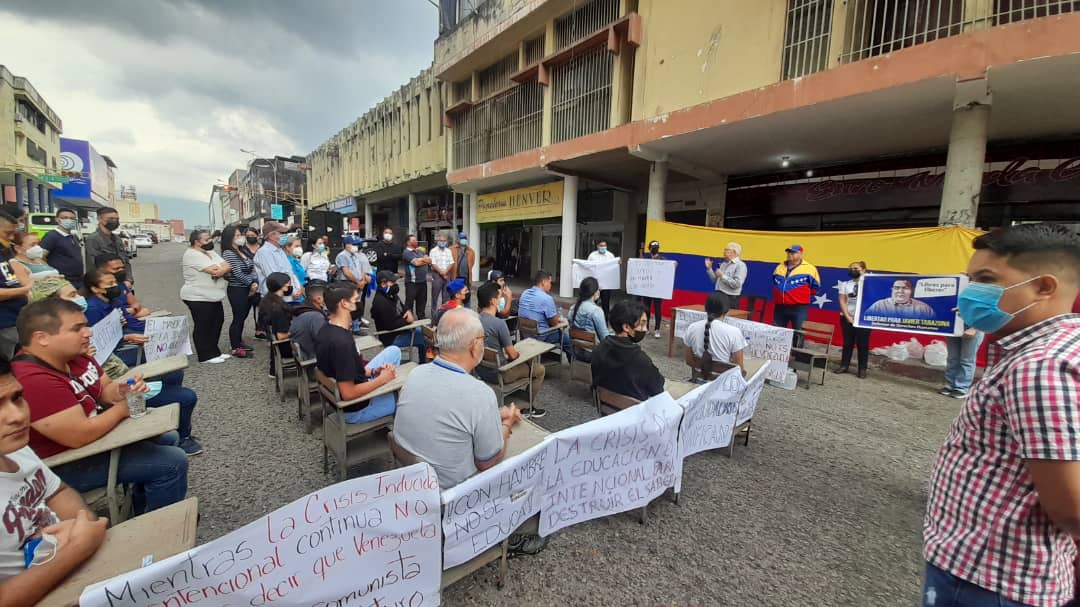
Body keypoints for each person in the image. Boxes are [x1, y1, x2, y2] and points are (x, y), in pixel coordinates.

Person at [923, 223, 1080, 607]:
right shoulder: (1053, 348)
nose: (971, 291)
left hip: (990, 576)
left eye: (987, 279)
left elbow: (1070, 506)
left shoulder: (1040, 367)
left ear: (1044, 287)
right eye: (971, 278)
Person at [12, 299, 188, 513]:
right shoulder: (32, 380)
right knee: (172, 462)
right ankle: (163, 536)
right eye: (77, 328)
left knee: (169, 437)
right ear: (42, 338)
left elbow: (104, 391)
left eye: (85, 325)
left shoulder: (75, 356)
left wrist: (122, 391)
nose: (88, 333)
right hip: (61, 464)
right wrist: (122, 409)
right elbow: (79, 435)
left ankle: (143, 508)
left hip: (94, 442)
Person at [0, 356, 108, 604]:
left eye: (17, 398)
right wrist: (77, 548)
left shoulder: (14, 447)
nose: (17, 416)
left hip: (77, 570)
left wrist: (82, 522)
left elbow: (58, 491)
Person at [393, 307, 523, 488]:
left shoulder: (416, 373)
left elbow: (447, 414)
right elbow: (488, 462)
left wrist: (492, 415)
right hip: (454, 495)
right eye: (482, 339)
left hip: (411, 481)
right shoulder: (480, 394)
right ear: (474, 346)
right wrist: (507, 423)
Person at [315, 285, 401, 423]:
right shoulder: (342, 344)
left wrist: (374, 372)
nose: (358, 304)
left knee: (394, 351)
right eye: (355, 300)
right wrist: (381, 379)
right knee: (409, 396)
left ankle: (386, 389)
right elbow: (348, 393)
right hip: (356, 409)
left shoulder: (327, 328)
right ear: (344, 304)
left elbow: (349, 368)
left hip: (346, 388)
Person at [476, 282, 546, 417]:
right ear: (493, 301)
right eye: (500, 297)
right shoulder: (499, 324)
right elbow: (513, 355)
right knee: (539, 369)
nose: (501, 299)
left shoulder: (475, 319)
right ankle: (527, 406)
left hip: (481, 369)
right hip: (500, 373)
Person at [591, 299, 665, 403]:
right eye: (642, 324)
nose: (645, 330)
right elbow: (658, 388)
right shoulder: (641, 360)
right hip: (634, 415)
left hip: (606, 411)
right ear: (626, 327)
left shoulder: (598, 349)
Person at [180, 230, 230, 364]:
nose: (210, 242)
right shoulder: (191, 254)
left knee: (217, 321)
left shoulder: (210, 252)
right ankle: (205, 355)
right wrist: (219, 270)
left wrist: (221, 270)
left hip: (213, 296)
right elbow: (213, 270)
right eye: (207, 240)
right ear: (197, 242)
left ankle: (214, 351)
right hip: (197, 296)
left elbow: (226, 266)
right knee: (204, 325)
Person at [370, 271, 428, 363]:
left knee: (425, 332)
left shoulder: (391, 295)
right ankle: (423, 363)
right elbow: (390, 325)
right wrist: (407, 321)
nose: (396, 284)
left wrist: (407, 313)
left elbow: (404, 308)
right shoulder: (380, 302)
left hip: (402, 330)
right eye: (393, 282)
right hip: (391, 337)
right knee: (424, 338)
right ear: (383, 284)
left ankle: (423, 362)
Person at [683, 291, 746, 374]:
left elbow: (689, 361)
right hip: (722, 383)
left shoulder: (692, 327)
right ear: (727, 311)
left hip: (698, 381)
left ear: (705, 308)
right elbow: (739, 368)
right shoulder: (734, 332)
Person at [771, 244, 820, 347]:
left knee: (799, 332)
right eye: (788, 252)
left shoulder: (810, 268)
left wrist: (799, 296)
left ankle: (797, 357)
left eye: (793, 252)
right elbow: (774, 282)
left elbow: (815, 287)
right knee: (777, 331)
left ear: (801, 254)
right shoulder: (780, 266)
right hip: (780, 306)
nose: (790, 254)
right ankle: (777, 355)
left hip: (798, 307)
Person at [220, 225, 258, 358]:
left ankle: (239, 341)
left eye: (239, 235)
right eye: (236, 236)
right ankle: (235, 346)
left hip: (249, 288)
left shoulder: (242, 250)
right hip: (237, 289)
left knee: (243, 317)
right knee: (238, 317)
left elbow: (252, 267)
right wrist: (251, 283)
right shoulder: (228, 253)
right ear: (229, 238)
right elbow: (237, 273)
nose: (240, 238)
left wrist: (255, 281)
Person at [0, 211, 30, 361]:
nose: (11, 238)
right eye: (8, 233)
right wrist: (25, 290)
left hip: (16, 317)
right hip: (4, 322)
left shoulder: (4, 251)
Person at [518, 270, 570, 355]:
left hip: (525, 334)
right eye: (550, 282)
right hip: (540, 336)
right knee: (565, 338)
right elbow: (554, 323)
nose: (551, 285)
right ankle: (573, 361)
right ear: (543, 282)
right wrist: (559, 321)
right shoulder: (546, 298)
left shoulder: (524, 293)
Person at [835, 261, 871, 378]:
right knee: (847, 343)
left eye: (856, 269)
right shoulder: (845, 284)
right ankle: (844, 365)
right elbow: (842, 300)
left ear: (864, 270)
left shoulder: (870, 284)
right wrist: (847, 316)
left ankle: (862, 368)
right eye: (851, 269)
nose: (853, 271)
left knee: (863, 344)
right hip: (847, 317)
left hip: (864, 319)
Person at [253, 221, 301, 303]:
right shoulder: (264, 252)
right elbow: (275, 278)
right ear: (271, 236)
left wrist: (297, 289)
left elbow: (290, 272)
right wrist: (293, 291)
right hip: (275, 299)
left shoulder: (279, 250)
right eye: (281, 233)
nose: (285, 235)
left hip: (288, 297)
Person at [82, 207, 131, 285]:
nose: (114, 221)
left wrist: (129, 280)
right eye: (111, 218)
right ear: (99, 219)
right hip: (106, 283)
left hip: (123, 281)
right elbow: (92, 266)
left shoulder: (117, 239)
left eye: (116, 219)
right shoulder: (93, 239)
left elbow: (126, 261)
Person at [258, 272, 295, 375]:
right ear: (281, 285)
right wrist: (298, 330)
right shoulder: (278, 309)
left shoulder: (267, 301)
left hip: (276, 345)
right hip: (285, 347)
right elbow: (282, 336)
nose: (289, 285)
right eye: (287, 283)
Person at [39, 207, 84, 288]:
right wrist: (52, 273)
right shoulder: (52, 236)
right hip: (62, 280)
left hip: (77, 280)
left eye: (72, 218)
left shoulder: (74, 237)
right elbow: (40, 257)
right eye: (65, 218)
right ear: (57, 219)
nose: (69, 220)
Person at [336, 235, 372, 330]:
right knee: (349, 306)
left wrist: (363, 280)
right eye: (354, 244)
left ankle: (356, 326)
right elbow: (346, 272)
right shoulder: (342, 256)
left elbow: (360, 269)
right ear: (346, 245)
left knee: (357, 306)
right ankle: (349, 327)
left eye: (357, 244)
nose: (356, 246)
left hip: (358, 283)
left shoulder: (355, 255)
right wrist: (357, 281)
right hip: (347, 283)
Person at [568, 276, 608, 362]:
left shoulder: (572, 308)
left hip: (575, 351)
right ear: (594, 292)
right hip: (592, 353)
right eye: (598, 289)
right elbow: (605, 339)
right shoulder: (596, 311)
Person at [937, 328, 985, 399]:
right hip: (954, 324)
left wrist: (974, 328)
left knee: (967, 360)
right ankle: (950, 385)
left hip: (973, 326)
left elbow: (984, 316)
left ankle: (961, 388)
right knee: (952, 358)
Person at [288, 281, 328, 361]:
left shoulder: (301, 310)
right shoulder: (316, 317)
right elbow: (325, 342)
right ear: (319, 299)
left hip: (305, 353)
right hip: (314, 358)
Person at [641, 240, 671, 338]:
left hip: (658, 290)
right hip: (648, 289)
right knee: (646, 309)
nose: (654, 250)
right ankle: (646, 327)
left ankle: (657, 329)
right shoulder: (647, 260)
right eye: (653, 248)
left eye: (655, 248)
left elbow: (670, 267)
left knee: (657, 309)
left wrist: (673, 265)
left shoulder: (663, 259)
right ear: (650, 249)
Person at [705, 241, 747, 310]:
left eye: (726, 250)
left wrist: (722, 276)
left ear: (734, 252)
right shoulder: (723, 264)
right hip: (718, 296)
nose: (724, 252)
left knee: (726, 320)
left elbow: (737, 284)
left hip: (730, 298)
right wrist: (709, 269)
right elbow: (714, 280)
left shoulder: (741, 265)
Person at [866, 278, 936, 319]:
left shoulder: (924, 309)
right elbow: (865, 321)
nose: (900, 291)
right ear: (892, 290)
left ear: (912, 290)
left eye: (905, 288)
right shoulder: (879, 306)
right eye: (896, 288)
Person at [402, 234, 430, 320]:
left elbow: (429, 260)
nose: (415, 242)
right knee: (409, 304)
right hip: (412, 283)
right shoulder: (406, 253)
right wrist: (423, 260)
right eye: (413, 240)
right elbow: (416, 263)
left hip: (422, 282)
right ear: (408, 242)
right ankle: (408, 321)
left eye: (416, 240)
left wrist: (421, 260)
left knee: (422, 304)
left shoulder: (419, 251)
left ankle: (422, 322)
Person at [587, 240, 617, 317]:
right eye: (601, 246)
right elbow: (587, 266)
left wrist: (618, 263)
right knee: (592, 303)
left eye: (604, 246)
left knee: (605, 304)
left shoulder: (610, 255)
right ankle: (592, 319)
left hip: (606, 285)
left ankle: (605, 322)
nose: (603, 247)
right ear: (598, 246)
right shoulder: (592, 255)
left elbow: (614, 267)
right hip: (595, 285)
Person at [429, 233, 454, 318]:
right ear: (437, 241)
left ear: (446, 242)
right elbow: (433, 264)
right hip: (437, 275)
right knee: (434, 297)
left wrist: (446, 272)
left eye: (444, 241)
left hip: (447, 275)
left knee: (446, 297)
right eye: (441, 241)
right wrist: (442, 273)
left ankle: (443, 315)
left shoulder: (448, 251)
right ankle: (434, 316)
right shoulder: (433, 251)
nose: (442, 242)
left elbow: (451, 263)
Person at [449, 232, 475, 307]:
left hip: (466, 278)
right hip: (455, 277)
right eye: (461, 238)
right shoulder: (451, 249)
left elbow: (472, 263)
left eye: (464, 238)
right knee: (455, 296)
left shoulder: (471, 251)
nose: (463, 240)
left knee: (467, 296)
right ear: (458, 239)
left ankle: (467, 311)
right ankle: (455, 311)